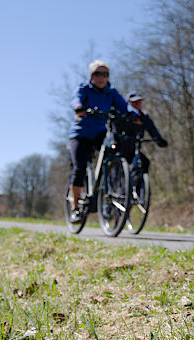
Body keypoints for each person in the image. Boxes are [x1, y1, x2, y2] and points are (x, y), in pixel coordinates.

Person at [67, 59, 128, 222]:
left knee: (113, 153)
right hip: (80, 134)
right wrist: (79, 107)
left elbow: (124, 107)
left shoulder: (111, 92)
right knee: (79, 168)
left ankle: (108, 192)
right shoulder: (84, 89)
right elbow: (76, 99)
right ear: (91, 76)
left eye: (105, 74)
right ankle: (75, 208)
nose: (101, 77)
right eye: (97, 74)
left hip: (100, 132)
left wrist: (134, 116)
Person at [116, 92, 168, 176]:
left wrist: (158, 139)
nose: (137, 104)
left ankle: (140, 186)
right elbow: (116, 127)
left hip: (135, 148)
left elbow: (152, 129)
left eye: (139, 102)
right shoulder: (122, 114)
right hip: (121, 147)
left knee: (144, 162)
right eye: (134, 102)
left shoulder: (144, 117)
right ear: (128, 102)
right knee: (120, 164)